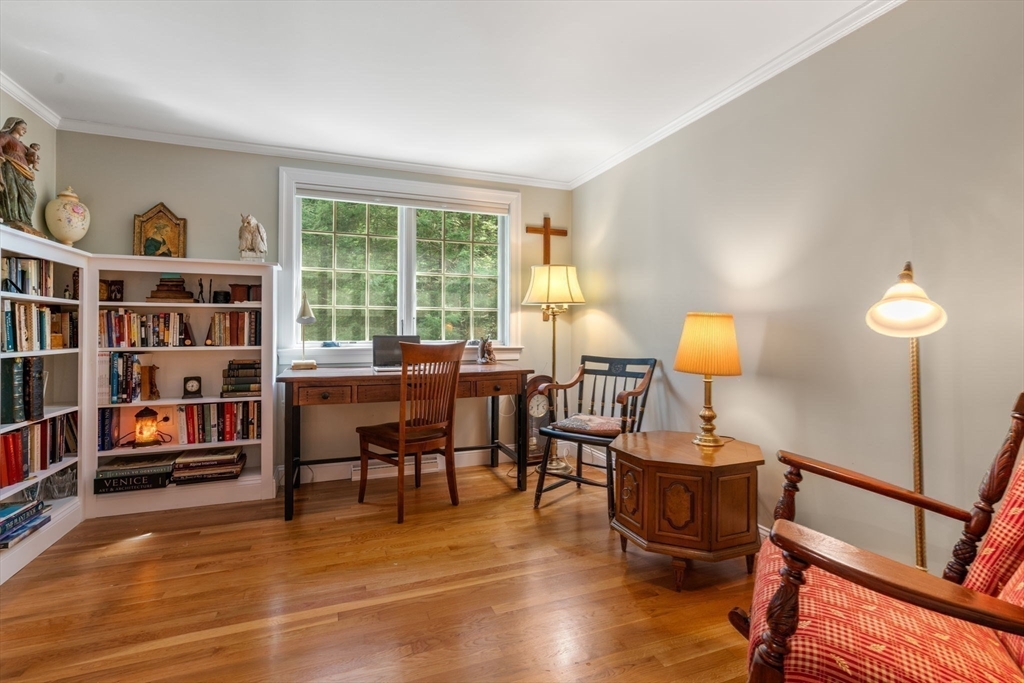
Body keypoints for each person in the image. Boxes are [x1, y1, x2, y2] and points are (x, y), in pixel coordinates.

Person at [0, 117, 39, 229]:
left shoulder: (22, 144)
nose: (25, 130)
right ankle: (12, 218)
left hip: (24, 169)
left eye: (26, 128)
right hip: (10, 166)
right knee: (12, 192)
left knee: (32, 195)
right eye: (22, 127)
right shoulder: (5, 136)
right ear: (13, 125)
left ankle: (25, 220)